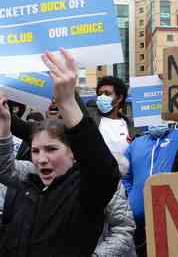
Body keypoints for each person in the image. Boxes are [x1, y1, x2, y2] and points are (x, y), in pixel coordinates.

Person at [0, 48, 120, 256]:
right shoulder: (28, 183)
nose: (41, 159)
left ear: (74, 152)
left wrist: (67, 102)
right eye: (35, 151)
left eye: (51, 149)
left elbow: (103, 171)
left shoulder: (84, 194)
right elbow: (4, 168)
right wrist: (4, 122)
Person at [123, 122, 178, 257]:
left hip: (170, 217)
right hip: (138, 219)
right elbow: (124, 174)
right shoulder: (137, 143)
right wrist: (132, 195)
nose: (157, 121)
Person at [87, 76, 135, 155]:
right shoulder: (90, 120)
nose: (102, 97)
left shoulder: (130, 125)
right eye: (100, 94)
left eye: (107, 93)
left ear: (119, 98)